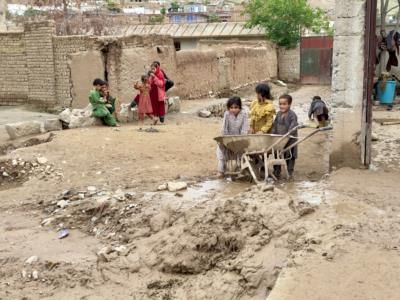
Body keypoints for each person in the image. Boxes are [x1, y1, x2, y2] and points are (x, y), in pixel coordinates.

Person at [217, 96, 249, 178]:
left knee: (242, 154)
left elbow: (244, 128)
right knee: (221, 153)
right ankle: (221, 171)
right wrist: (225, 140)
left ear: (240, 107)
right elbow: (224, 128)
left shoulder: (244, 114)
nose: (233, 110)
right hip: (228, 137)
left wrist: (240, 139)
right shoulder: (227, 114)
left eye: (236, 107)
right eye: (231, 107)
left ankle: (242, 170)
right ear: (228, 108)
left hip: (240, 138)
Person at [272, 94, 298, 178]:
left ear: (289, 104)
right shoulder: (278, 114)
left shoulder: (292, 115)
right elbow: (275, 125)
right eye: (280, 104)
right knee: (277, 154)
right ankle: (276, 171)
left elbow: (293, 126)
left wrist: (288, 134)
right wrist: (273, 134)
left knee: (290, 156)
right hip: (279, 139)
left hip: (290, 139)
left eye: (284, 104)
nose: (281, 106)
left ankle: (289, 172)